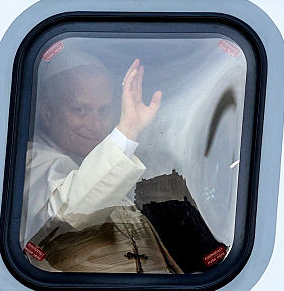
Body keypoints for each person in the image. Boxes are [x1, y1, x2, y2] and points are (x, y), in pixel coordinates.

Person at [21, 47, 181, 274]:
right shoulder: (30, 161)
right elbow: (70, 211)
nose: (95, 125)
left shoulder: (92, 159)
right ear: (47, 111)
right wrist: (126, 131)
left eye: (103, 110)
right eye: (80, 110)